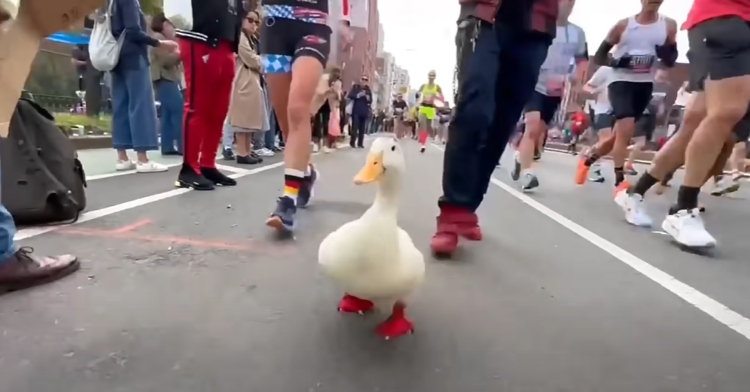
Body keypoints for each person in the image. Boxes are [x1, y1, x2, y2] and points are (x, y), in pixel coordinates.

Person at [431, 0, 557, 256]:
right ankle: (453, 209)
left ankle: (467, 207)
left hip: (537, 24)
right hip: (484, 14)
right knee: (475, 109)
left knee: (502, 122)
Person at [262, 0, 351, 233]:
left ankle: (287, 201)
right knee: (284, 121)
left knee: (297, 107)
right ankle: (306, 172)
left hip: (314, 23)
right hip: (274, 22)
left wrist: (344, 20)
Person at [576, 0, 677, 193]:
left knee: (620, 136)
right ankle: (619, 181)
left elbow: (671, 56)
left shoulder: (668, 25)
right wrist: (618, 62)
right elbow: (599, 56)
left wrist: (665, 60)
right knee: (626, 127)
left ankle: (588, 160)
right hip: (620, 81)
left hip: (645, 84)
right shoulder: (624, 25)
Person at [512, 0, 588, 191]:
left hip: (555, 88)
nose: (568, 4)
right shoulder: (538, 24)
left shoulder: (577, 33)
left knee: (539, 130)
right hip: (533, 81)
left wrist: (577, 81)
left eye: (572, 1)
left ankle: (520, 156)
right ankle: (528, 173)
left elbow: (581, 60)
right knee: (533, 124)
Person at [175, 0, 244, 190]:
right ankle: (189, 167)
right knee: (199, 105)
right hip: (199, 37)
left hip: (226, 42)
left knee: (218, 109)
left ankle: (207, 163)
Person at [110, 0, 176, 173]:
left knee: (120, 105)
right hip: (133, 56)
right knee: (141, 105)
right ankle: (143, 158)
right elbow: (133, 30)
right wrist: (159, 43)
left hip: (114, 57)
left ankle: (122, 157)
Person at [226, 9, 267, 165]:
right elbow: (250, 59)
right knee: (243, 120)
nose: (254, 25)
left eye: (257, 22)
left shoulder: (251, 38)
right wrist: (262, 62)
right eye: (250, 20)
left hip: (251, 80)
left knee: (250, 120)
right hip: (243, 79)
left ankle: (247, 151)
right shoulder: (240, 37)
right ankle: (242, 153)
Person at [150, 13, 184, 156]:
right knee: (178, 110)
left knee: (168, 114)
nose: (173, 29)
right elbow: (165, 62)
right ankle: (183, 147)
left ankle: (167, 146)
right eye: (171, 26)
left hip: (164, 79)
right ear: (165, 25)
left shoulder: (160, 39)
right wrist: (179, 53)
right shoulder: (159, 39)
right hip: (164, 78)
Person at [582, 66, 614, 183]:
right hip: (603, 110)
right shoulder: (606, 70)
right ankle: (596, 169)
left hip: (619, 112)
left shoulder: (630, 73)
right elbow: (587, 86)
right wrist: (600, 88)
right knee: (606, 140)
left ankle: (587, 155)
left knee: (610, 143)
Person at [416, 71, 444, 153]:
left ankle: (434, 136)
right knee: (422, 124)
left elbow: (441, 98)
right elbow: (417, 95)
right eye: (430, 75)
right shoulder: (423, 86)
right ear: (427, 76)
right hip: (423, 107)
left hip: (431, 109)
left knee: (428, 127)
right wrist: (419, 99)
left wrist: (436, 100)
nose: (431, 77)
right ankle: (423, 145)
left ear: (435, 77)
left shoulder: (437, 87)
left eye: (433, 75)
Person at [347, 76, 373, 148]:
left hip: (364, 111)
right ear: (360, 80)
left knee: (362, 128)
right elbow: (350, 95)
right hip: (356, 110)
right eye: (363, 79)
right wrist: (358, 95)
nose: (364, 81)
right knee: (354, 127)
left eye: (366, 80)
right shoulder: (356, 87)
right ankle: (352, 142)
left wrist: (367, 97)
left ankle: (360, 143)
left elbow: (370, 101)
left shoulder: (368, 90)